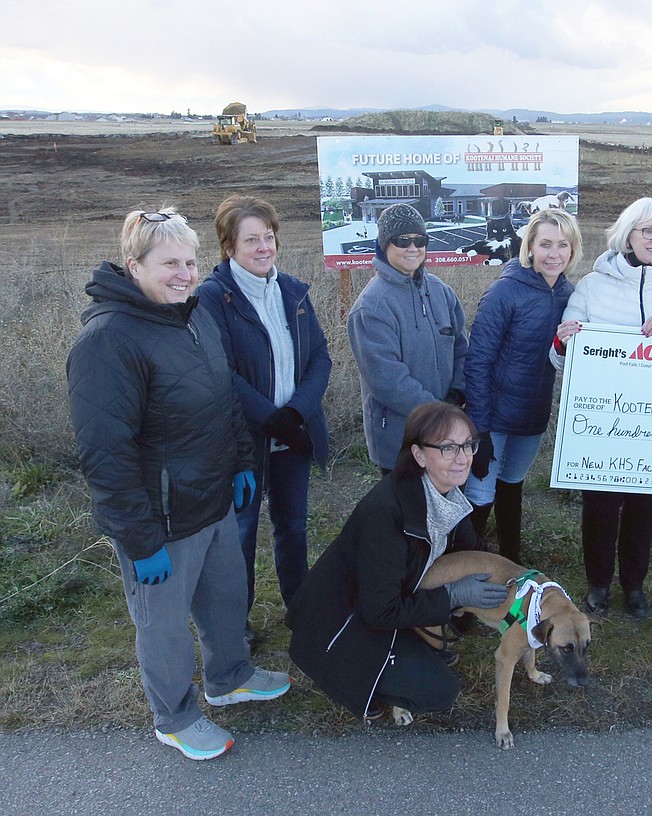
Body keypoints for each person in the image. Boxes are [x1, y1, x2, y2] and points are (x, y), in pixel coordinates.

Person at [66, 208, 290, 761]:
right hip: (159, 520)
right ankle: (175, 715)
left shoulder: (192, 317)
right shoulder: (108, 341)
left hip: (212, 498)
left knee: (224, 598)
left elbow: (224, 399)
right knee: (163, 627)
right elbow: (106, 455)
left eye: (190, 261)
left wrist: (241, 460)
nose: (185, 274)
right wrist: (138, 541)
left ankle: (230, 676)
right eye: (170, 263)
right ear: (134, 264)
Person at [287, 402, 507, 721]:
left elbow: (475, 554)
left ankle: (407, 652)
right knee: (439, 692)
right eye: (448, 448)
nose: (463, 458)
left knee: (443, 649)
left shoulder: (448, 497)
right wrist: (453, 596)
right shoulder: (387, 511)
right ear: (418, 455)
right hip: (342, 625)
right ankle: (352, 679)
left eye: (468, 445)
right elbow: (378, 610)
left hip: (388, 606)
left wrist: (526, 582)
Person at [554, 197, 652, 619]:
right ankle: (598, 584)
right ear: (627, 235)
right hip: (605, 421)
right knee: (600, 506)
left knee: (645, 505)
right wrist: (564, 342)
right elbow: (561, 356)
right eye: (649, 232)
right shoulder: (591, 285)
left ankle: (634, 585)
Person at [196, 194, 332, 634]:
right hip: (244, 443)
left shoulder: (291, 291)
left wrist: (296, 414)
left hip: (293, 436)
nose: (262, 247)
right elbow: (220, 372)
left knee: (293, 527)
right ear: (228, 246)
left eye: (268, 237)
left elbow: (320, 357)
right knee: (240, 534)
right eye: (250, 239)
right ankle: (236, 623)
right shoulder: (213, 298)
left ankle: (302, 607)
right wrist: (269, 418)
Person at [463, 208, 580, 562]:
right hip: (493, 418)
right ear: (529, 246)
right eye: (545, 244)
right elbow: (478, 360)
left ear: (572, 250)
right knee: (480, 495)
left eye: (562, 245)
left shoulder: (571, 296)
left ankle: (511, 563)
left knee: (512, 485)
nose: (553, 254)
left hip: (532, 413)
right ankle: (463, 576)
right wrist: (479, 430)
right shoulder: (503, 292)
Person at [348, 204, 469, 473]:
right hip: (400, 440)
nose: (412, 248)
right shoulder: (371, 307)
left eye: (420, 240)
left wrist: (457, 393)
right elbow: (388, 381)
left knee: (443, 510)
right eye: (402, 241)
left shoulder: (441, 292)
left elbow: (462, 348)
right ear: (384, 245)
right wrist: (440, 414)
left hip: (447, 436)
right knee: (407, 513)